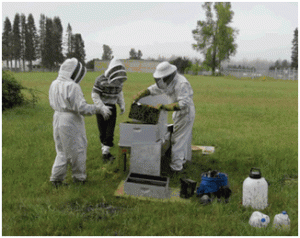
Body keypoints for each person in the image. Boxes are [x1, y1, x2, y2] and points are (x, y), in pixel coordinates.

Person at [49, 58, 110, 187]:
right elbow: (82, 108)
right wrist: (98, 108)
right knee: (78, 149)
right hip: (70, 120)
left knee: (61, 151)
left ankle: (56, 179)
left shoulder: (54, 83)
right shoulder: (73, 86)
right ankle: (79, 178)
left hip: (57, 117)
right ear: (74, 72)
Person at [133, 61, 195, 173]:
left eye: (163, 78)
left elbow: (182, 104)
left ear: (169, 75)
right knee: (181, 139)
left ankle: (176, 168)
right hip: (178, 114)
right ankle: (181, 161)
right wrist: (142, 93)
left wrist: (164, 106)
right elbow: (154, 89)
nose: (160, 80)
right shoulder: (166, 82)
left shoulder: (182, 83)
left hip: (185, 113)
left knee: (178, 141)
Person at [91, 58, 127, 163]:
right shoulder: (100, 79)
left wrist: (122, 104)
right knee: (102, 131)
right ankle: (105, 150)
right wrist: (101, 107)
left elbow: (120, 94)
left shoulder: (120, 81)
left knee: (109, 131)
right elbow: (95, 95)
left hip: (112, 107)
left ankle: (105, 153)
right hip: (100, 108)